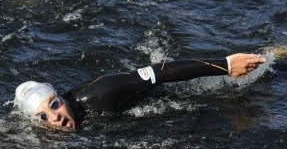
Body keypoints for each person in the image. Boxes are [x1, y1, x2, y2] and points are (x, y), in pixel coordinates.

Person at [14, 53, 267, 131]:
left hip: (168, 98)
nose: (55, 116)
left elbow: (162, 71)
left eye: (55, 104)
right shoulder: (42, 135)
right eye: (44, 117)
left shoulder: (102, 93)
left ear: (60, 96)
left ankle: (282, 53)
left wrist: (224, 65)